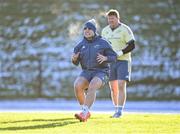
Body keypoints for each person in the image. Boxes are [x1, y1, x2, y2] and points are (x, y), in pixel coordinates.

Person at [71, 19, 117, 122]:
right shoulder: (79, 45)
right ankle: (85, 111)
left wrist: (106, 58)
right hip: (86, 72)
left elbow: (114, 56)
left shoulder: (103, 42)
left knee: (92, 85)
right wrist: (74, 59)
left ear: (94, 30)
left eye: (90, 28)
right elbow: (75, 62)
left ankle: (84, 112)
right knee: (77, 86)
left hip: (101, 72)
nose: (87, 30)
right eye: (85, 28)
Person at [102, 9, 135, 118]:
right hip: (110, 62)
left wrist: (119, 53)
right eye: (109, 19)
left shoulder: (125, 29)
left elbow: (132, 45)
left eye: (112, 18)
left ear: (117, 18)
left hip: (123, 61)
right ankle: (116, 110)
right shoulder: (105, 31)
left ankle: (120, 111)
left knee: (121, 84)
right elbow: (102, 46)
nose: (111, 20)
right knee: (113, 87)